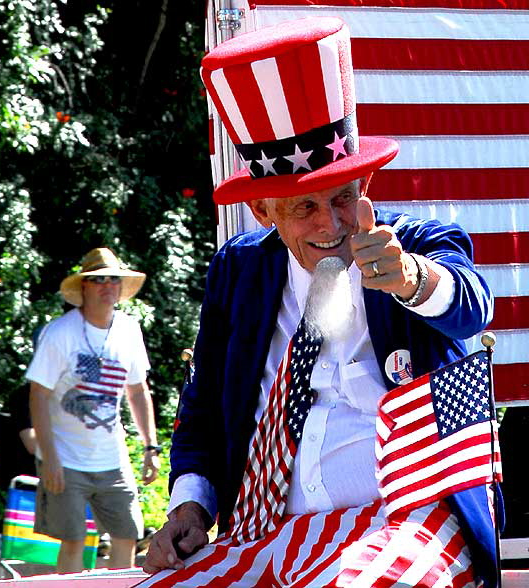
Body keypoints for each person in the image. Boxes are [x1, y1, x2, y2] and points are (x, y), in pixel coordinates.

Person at [140, 16, 500, 588]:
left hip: (409, 520)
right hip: (269, 529)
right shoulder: (239, 270)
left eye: (343, 197)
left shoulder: (415, 242)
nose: (331, 224)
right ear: (263, 212)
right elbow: (204, 406)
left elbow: (472, 304)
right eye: (304, 208)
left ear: (367, 186)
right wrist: (191, 505)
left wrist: (409, 278)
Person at [26, 247, 161, 573]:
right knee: (73, 540)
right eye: (97, 279)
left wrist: (150, 447)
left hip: (112, 457)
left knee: (127, 534)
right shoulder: (59, 333)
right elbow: (38, 396)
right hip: (65, 457)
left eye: (113, 280)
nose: (106, 286)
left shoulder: (129, 330)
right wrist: (49, 457)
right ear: (83, 287)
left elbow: (138, 390)